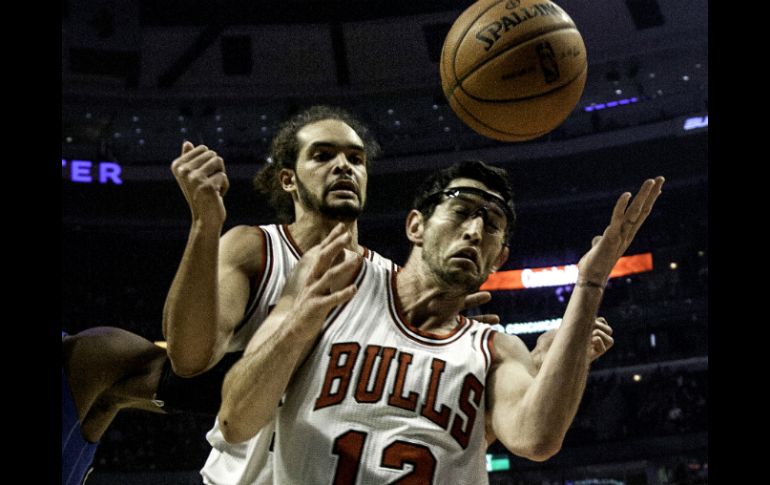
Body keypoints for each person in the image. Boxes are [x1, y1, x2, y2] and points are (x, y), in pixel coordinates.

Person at [162, 107, 614, 484]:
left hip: (322, 459)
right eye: (323, 155)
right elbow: (189, 358)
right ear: (287, 179)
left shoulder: (391, 285)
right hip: (245, 463)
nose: (344, 166)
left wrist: (523, 363)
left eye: (356, 159)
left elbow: (433, 428)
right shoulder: (256, 248)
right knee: (114, 355)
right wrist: (204, 225)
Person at [217, 160, 664, 483]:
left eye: (491, 224)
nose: (474, 231)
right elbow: (236, 420)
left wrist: (589, 284)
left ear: (499, 259)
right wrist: (297, 325)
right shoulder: (335, 282)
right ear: (416, 226)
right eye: (462, 210)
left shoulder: (493, 350)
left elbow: (536, 437)